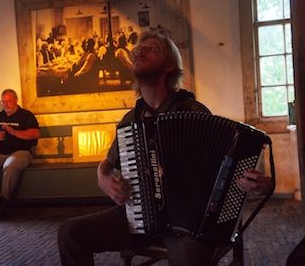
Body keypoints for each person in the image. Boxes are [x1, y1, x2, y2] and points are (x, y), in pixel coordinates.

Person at [57, 31, 273, 265]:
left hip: (186, 228)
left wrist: (259, 183)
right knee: (71, 232)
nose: (139, 52)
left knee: (188, 255)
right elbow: (107, 165)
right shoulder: (131, 121)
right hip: (137, 217)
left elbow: (228, 167)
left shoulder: (193, 112)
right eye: (136, 51)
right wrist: (102, 178)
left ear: (169, 65)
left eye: (150, 49)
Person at [0, 89, 40, 221]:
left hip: (21, 152)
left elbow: (35, 133)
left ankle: (4, 200)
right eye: (4, 102)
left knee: (10, 165)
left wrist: (14, 132)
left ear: (16, 100)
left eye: (9, 101)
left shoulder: (26, 115)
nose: (6, 104)